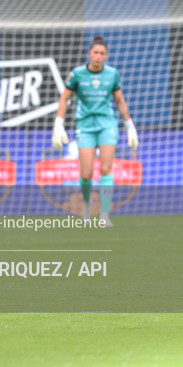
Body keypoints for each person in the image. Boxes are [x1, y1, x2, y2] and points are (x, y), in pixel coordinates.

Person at [52, 35, 138, 228]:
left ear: (106, 56)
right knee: (86, 173)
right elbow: (64, 99)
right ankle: (87, 203)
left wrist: (129, 125)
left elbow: (119, 100)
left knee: (106, 168)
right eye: (95, 52)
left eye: (102, 53)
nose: (98, 56)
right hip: (85, 125)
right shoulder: (77, 74)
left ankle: (104, 215)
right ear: (89, 54)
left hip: (107, 124)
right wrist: (58, 124)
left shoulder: (112, 74)